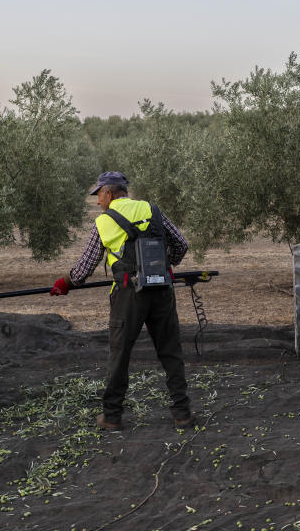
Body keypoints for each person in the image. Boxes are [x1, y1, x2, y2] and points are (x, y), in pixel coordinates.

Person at [50, 171, 195, 431]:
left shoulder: (104, 222)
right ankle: (182, 414)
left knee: (120, 355)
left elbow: (84, 268)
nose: (98, 202)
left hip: (128, 295)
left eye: (99, 195)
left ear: (109, 192)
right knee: (171, 352)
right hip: (162, 290)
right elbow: (181, 244)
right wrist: (165, 265)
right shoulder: (152, 209)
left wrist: (65, 283)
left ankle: (112, 417)